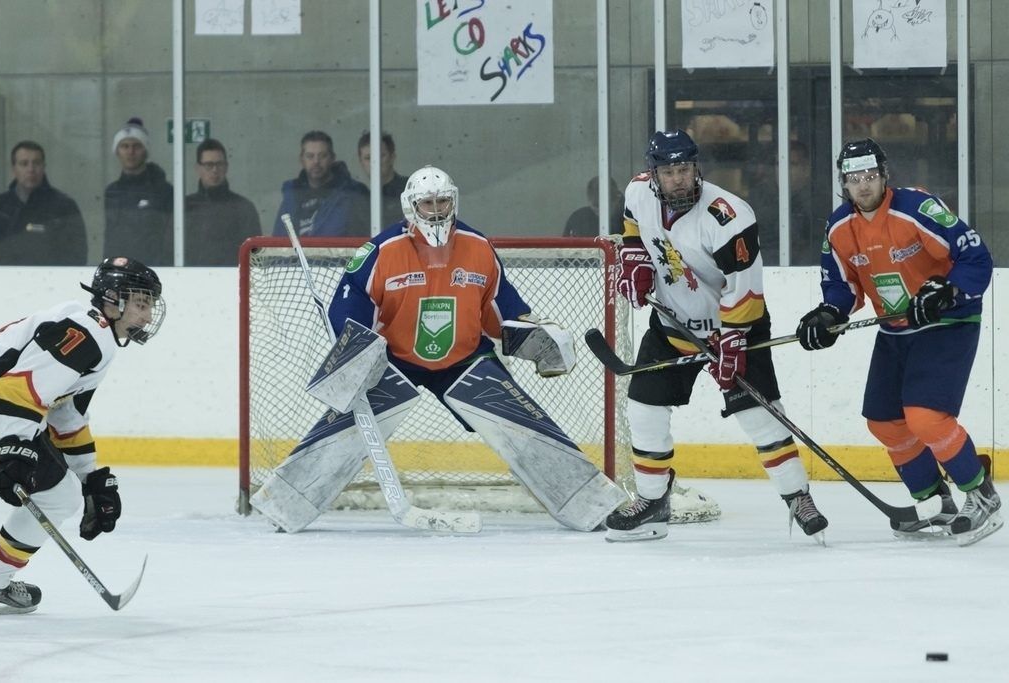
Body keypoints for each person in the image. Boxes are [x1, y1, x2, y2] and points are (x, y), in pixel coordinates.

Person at [251, 165, 624, 534]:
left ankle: (589, 504)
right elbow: (348, 303)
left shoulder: (478, 246)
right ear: (410, 205)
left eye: (442, 201)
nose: (436, 210)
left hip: (464, 357)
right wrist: (355, 348)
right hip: (392, 360)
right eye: (427, 203)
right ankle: (285, 503)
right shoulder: (382, 250)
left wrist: (532, 335)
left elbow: (500, 308)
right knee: (344, 429)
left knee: (522, 424)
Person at [605, 129, 828, 542]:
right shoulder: (638, 192)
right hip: (674, 324)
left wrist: (732, 341)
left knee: (760, 417)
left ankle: (798, 497)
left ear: (696, 168)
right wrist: (635, 259)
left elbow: (744, 288)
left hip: (736, 327)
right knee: (644, 410)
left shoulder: (728, 216)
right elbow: (633, 227)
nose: (678, 179)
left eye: (685, 169)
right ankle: (652, 502)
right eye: (669, 171)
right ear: (653, 174)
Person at [795, 138, 999, 545]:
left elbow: (975, 257)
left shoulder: (916, 209)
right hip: (896, 330)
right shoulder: (839, 227)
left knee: (926, 418)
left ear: (884, 176)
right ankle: (934, 500)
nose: (864, 185)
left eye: (871, 176)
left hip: (947, 322)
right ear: (844, 183)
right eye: (855, 179)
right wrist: (828, 315)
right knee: (885, 422)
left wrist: (947, 290)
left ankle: (980, 494)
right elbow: (841, 285)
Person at [0, 257, 166, 613]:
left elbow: (66, 415)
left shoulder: (99, 336)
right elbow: (14, 390)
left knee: (65, 493)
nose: (146, 316)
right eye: (141, 304)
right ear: (113, 298)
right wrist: (14, 448)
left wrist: (90, 479)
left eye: (150, 306)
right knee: (58, 495)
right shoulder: (90, 334)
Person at [0, 140, 88, 265]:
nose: (31, 169)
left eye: (36, 163)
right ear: (13, 169)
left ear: (44, 167)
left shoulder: (64, 206)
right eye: (24, 163)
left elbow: (77, 254)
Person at [272, 130, 369, 238]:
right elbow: (278, 241)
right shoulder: (291, 196)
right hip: (296, 255)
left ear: (332, 158)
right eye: (310, 156)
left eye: (322, 156)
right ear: (301, 160)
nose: (316, 161)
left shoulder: (352, 193)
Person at [103, 118, 174, 265]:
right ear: (117, 151)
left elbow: (169, 238)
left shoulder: (163, 190)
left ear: (145, 150)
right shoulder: (112, 192)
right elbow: (110, 238)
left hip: (154, 271)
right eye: (125, 146)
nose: (130, 151)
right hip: (120, 271)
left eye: (137, 146)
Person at [184, 138, 262, 265]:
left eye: (219, 164)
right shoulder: (185, 207)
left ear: (226, 167)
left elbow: (255, 255)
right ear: (198, 168)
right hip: (191, 280)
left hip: (232, 280)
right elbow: (169, 251)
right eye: (209, 165)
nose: (215, 170)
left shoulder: (243, 207)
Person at [356, 130, 408, 226]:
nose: (374, 162)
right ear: (361, 162)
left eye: (380, 156)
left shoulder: (409, 190)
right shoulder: (359, 198)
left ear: (392, 157)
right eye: (368, 158)